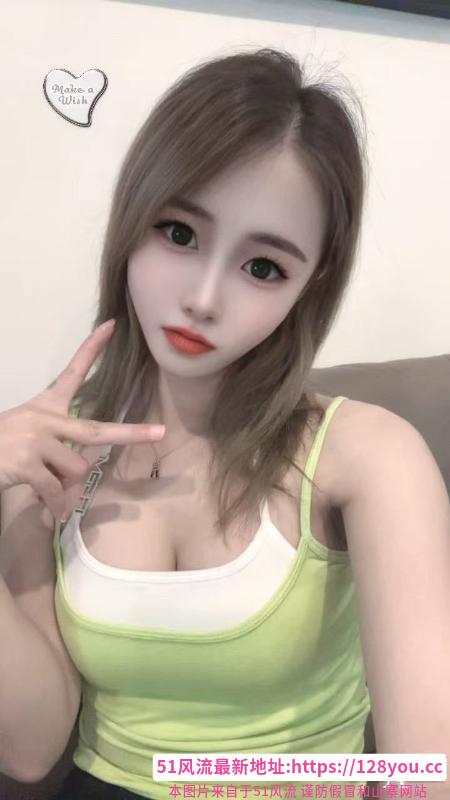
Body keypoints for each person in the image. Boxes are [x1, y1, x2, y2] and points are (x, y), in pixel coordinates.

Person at [0, 46, 448, 800]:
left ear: (309, 285)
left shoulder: (368, 456)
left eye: (263, 267)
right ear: (133, 217)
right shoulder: (52, 446)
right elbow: (30, 747)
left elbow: (424, 769)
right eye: (179, 233)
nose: (204, 299)